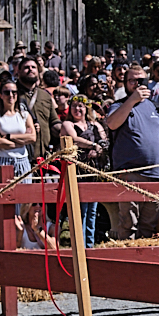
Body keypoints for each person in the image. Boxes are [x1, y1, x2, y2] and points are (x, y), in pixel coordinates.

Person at [104, 65, 159, 240]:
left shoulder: (156, 108)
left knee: (148, 225)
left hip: (155, 174)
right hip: (129, 174)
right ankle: (126, 262)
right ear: (125, 83)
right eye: (132, 80)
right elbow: (112, 124)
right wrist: (132, 101)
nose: (137, 84)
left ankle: (144, 262)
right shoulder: (119, 105)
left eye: (141, 80)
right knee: (128, 224)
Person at [0, 78, 38, 247]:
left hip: (23, 161)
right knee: (0, 205)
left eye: (13, 92)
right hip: (2, 161)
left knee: (23, 204)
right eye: (6, 92)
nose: (10, 95)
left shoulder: (24, 115)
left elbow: (32, 137)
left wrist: (10, 137)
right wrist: (20, 140)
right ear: (0, 95)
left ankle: (22, 244)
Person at [60, 97, 108, 246]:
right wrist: (93, 145)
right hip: (76, 171)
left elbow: (105, 139)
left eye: (80, 106)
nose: (77, 109)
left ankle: (89, 244)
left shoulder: (94, 124)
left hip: (93, 171)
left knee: (92, 210)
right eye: (74, 106)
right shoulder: (68, 124)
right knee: (80, 210)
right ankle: (79, 244)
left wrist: (99, 151)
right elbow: (73, 139)